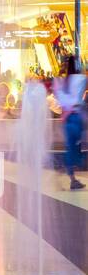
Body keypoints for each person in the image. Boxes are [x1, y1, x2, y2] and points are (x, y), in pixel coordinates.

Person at [54, 55, 86, 190]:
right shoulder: (81, 79)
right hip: (77, 117)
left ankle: (69, 175)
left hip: (68, 119)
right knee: (76, 149)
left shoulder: (63, 81)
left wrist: (65, 111)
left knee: (71, 147)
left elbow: (60, 98)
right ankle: (67, 174)